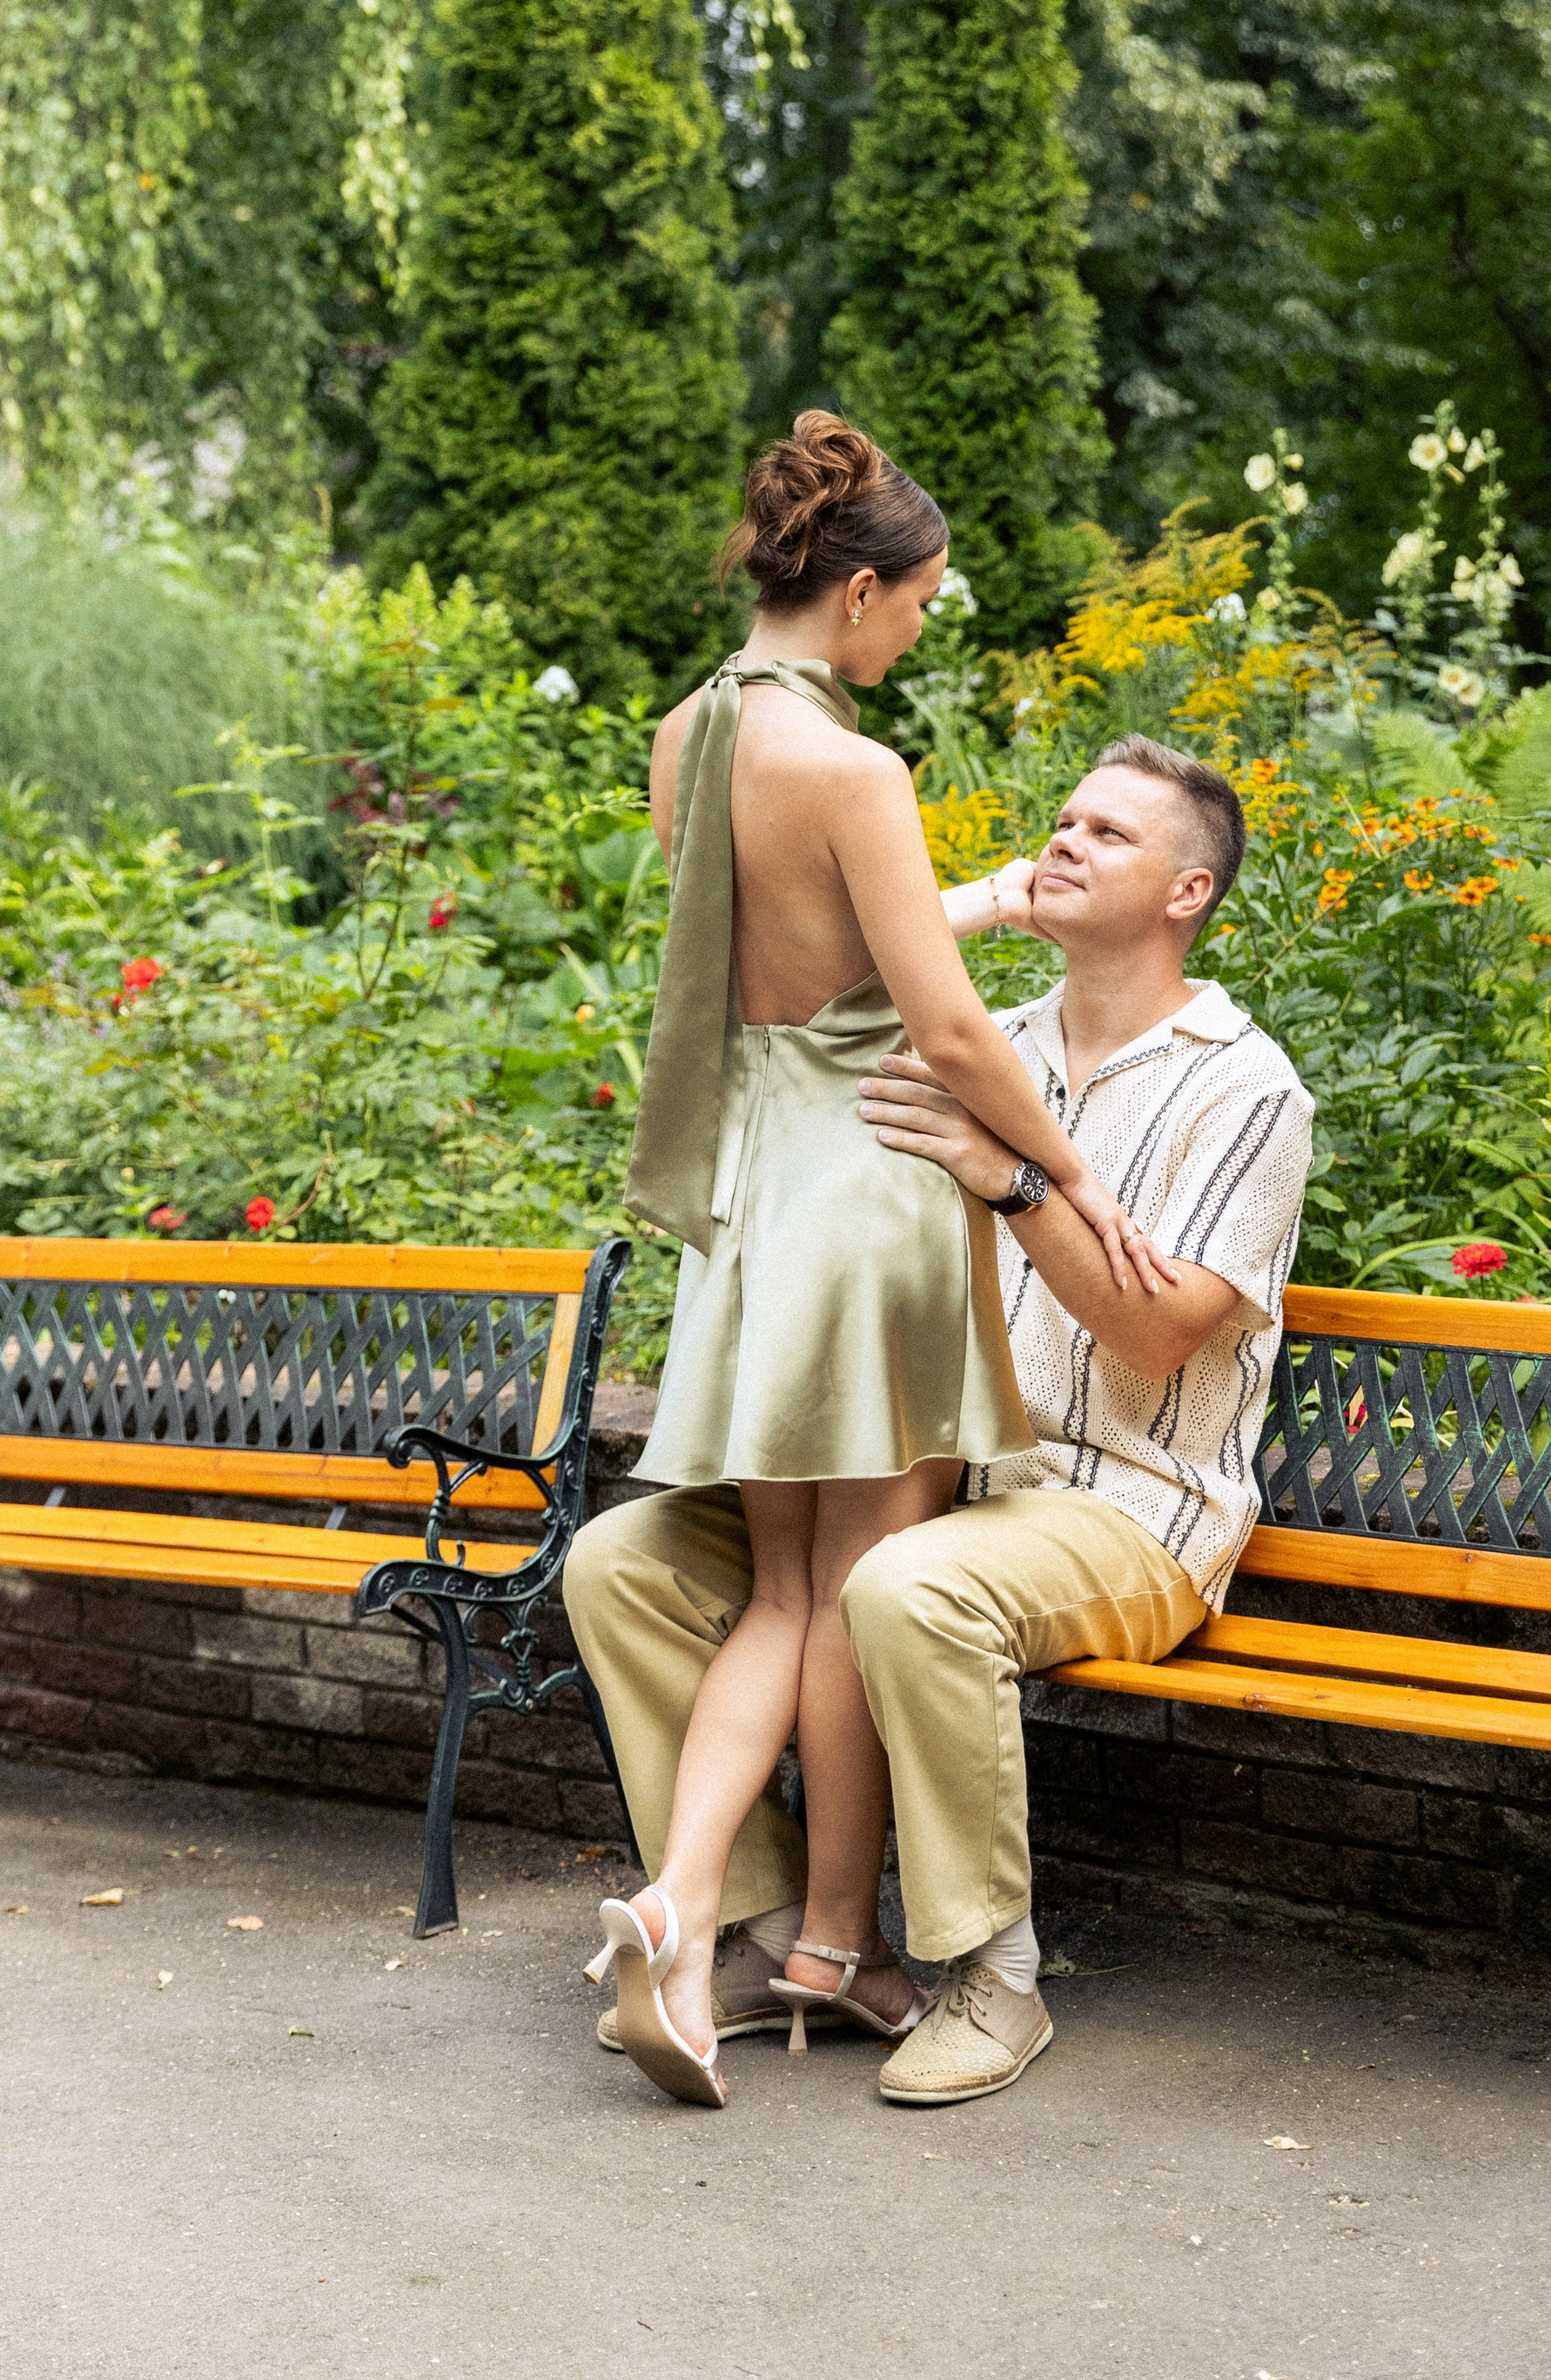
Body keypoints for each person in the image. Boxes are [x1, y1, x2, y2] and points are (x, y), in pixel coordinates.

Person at [567, 729, 1313, 2108]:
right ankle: (769, 1924)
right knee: (626, 1563)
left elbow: (1154, 1333)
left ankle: (994, 1973)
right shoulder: (973, 1034)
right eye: (1066, 820)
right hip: (932, 1474)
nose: (1067, 841)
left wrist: (1011, 1177)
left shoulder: (1243, 1084)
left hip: (1131, 1505)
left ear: (1187, 892)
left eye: (1109, 832)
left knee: (900, 1587)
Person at [585, 415, 1166, 2109]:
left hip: (757, 1197)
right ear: (853, 592)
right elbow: (944, 1037)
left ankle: (687, 1913)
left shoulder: (684, 734)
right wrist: (1070, 1171)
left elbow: (789, 954)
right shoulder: (856, 770)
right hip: (878, 1181)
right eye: (912, 605)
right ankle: (830, 1939)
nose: (917, 628)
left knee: (778, 1588)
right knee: (856, 1583)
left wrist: (967, 892)